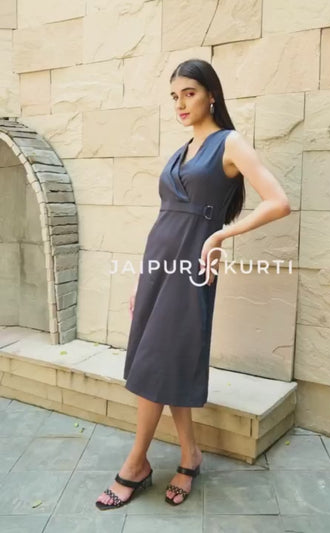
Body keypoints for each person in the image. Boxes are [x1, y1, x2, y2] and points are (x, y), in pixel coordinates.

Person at [95, 58, 291, 510]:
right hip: (157, 264)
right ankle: (190, 455)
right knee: (169, 360)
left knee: (158, 361)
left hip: (190, 267)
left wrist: (220, 235)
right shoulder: (183, 149)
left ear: (211, 95)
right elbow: (165, 218)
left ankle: (135, 464)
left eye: (189, 93)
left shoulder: (230, 143)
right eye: (175, 96)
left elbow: (279, 202)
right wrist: (141, 279)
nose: (181, 104)